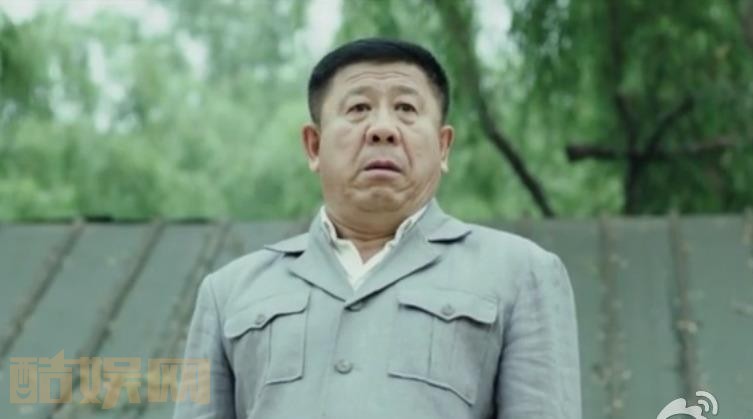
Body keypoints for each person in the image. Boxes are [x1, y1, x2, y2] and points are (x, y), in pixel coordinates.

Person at [173, 37, 581, 419]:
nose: (382, 129)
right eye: (358, 109)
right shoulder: (226, 293)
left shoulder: (521, 274)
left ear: (443, 147)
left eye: (406, 108)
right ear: (314, 146)